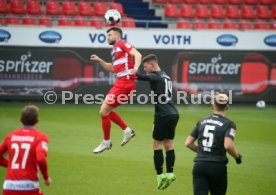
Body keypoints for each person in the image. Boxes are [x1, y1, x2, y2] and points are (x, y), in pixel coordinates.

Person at [90, 27, 142, 154]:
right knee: (106, 111)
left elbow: (138, 54)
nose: (108, 37)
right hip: (121, 83)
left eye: (110, 35)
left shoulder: (122, 43)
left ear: (118, 36)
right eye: (107, 35)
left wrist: (135, 67)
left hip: (125, 83)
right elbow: (113, 68)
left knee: (103, 111)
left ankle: (107, 141)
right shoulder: (115, 49)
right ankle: (127, 131)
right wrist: (100, 60)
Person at [185, 93, 243, 195]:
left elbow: (188, 143)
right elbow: (228, 145)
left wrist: (204, 150)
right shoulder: (229, 124)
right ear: (227, 107)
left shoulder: (202, 121)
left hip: (200, 166)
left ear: (212, 106)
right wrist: (237, 157)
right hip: (217, 167)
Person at [136, 54, 179, 190]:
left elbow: (139, 76)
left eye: (146, 66)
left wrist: (129, 71)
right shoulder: (166, 76)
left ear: (153, 65)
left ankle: (160, 175)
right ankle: (170, 173)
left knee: (156, 144)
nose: (145, 69)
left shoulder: (155, 76)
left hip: (162, 115)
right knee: (168, 143)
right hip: (173, 113)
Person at [0, 105, 52, 195]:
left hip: (9, 187)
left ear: (21, 120)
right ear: (37, 120)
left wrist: (11, 165)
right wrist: (46, 177)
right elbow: (41, 159)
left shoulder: (11, 136)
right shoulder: (41, 137)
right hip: (30, 186)